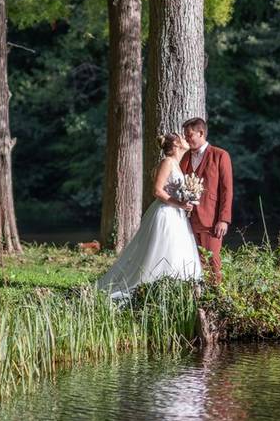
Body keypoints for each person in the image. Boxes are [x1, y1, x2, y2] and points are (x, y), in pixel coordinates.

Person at [96, 133, 203, 299]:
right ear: (175, 144)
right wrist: (179, 203)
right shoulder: (167, 162)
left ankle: (175, 287)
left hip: (176, 214)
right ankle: (150, 285)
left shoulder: (176, 164)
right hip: (165, 213)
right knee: (163, 247)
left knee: (176, 248)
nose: (185, 139)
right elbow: (157, 190)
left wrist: (186, 199)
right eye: (181, 137)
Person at [180, 117, 233, 284]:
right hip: (187, 219)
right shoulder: (185, 157)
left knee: (213, 261)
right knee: (195, 261)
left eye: (189, 135)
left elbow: (227, 190)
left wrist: (223, 219)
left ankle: (216, 299)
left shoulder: (220, 155)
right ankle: (200, 298)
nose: (187, 139)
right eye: (185, 136)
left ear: (201, 133)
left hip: (211, 219)